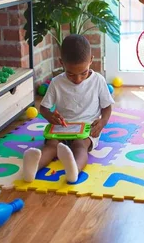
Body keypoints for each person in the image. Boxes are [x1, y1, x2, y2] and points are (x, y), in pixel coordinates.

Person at [22, 35, 114, 183]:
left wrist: (102, 122)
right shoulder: (56, 82)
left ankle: (74, 170)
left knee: (80, 146)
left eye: (83, 73)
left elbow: (107, 107)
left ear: (91, 60)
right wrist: (50, 116)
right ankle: (32, 168)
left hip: (86, 129)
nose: (77, 79)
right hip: (62, 127)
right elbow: (44, 108)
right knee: (51, 145)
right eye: (71, 74)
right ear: (61, 63)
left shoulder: (98, 81)